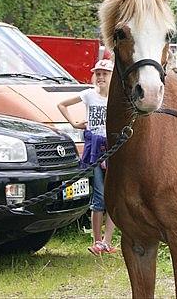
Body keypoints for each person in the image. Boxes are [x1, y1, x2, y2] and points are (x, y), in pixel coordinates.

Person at [57, 59, 118, 255]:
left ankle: (108, 241)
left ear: (112, 76)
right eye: (98, 74)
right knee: (99, 196)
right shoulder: (89, 95)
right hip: (95, 151)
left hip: (112, 149)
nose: (100, 77)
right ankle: (97, 240)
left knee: (113, 198)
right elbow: (62, 105)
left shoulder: (117, 97)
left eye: (105, 74)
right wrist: (74, 123)